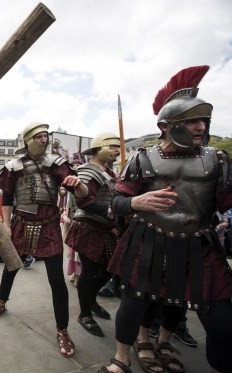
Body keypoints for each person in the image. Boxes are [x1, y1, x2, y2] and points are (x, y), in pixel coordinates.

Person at [99, 65, 232, 373]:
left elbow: (227, 202)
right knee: (135, 302)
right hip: (149, 238)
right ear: (167, 126)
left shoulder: (218, 160)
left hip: (198, 243)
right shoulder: (143, 159)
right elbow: (115, 203)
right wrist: (136, 201)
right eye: (191, 121)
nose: (201, 126)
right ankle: (122, 356)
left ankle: (164, 343)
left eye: (204, 120)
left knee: (213, 315)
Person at [0, 122, 88, 358]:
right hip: (22, 223)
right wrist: (6, 225)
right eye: (39, 136)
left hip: (49, 226)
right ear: (28, 139)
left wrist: (80, 186)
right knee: (11, 267)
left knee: (56, 279)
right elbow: (9, 197)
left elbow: (78, 191)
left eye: (46, 136)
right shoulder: (13, 166)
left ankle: (62, 330)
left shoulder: (57, 164)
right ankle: (1, 301)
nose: (44, 139)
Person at [65, 132, 122, 338]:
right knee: (89, 271)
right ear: (101, 148)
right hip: (88, 225)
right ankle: (84, 313)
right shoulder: (88, 170)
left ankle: (91, 299)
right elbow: (84, 201)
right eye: (114, 147)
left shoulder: (107, 171)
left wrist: (114, 220)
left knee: (108, 269)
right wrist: (110, 213)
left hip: (105, 227)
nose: (117, 150)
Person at [63, 156, 83, 285]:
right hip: (71, 221)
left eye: (78, 166)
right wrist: (65, 214)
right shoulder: (67, 187)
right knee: (72, 250)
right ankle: (75, 273)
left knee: (79, 252)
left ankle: (78, 275)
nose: (75, 167)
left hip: (82, 221)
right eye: (73, 166)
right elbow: (66, 205)